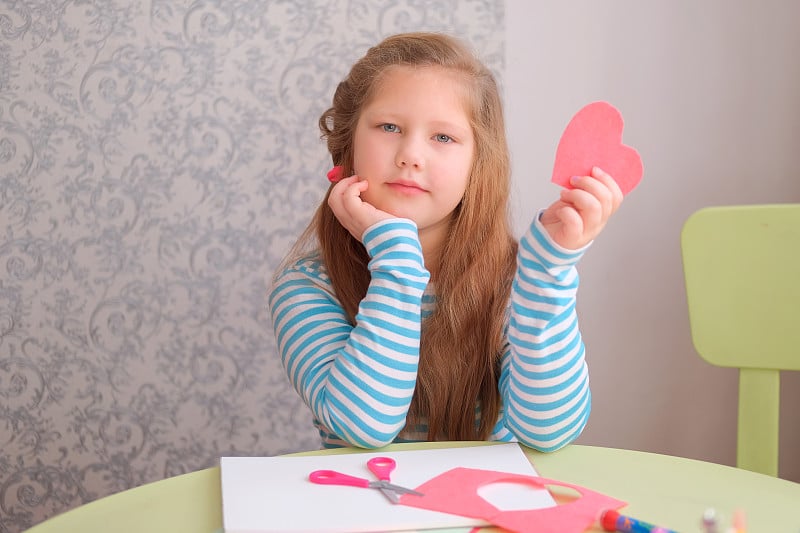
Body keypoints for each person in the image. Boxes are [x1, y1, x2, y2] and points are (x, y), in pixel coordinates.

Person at [268, 32, 623, 451]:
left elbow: (548, 432)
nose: (411, 155)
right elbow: (363, 427)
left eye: (443, 137)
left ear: (478, 165)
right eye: (389, 127)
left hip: (490, 510)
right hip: (369, 512)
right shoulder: (308, 286)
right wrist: (396, 259)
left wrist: (548, 271)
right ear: (348, 143)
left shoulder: (516, 280)